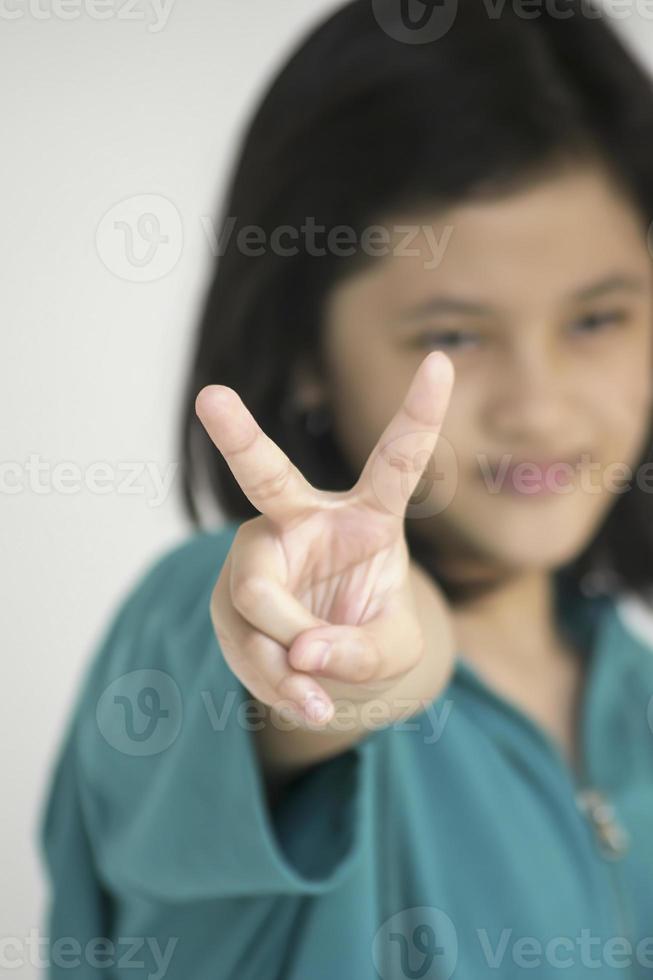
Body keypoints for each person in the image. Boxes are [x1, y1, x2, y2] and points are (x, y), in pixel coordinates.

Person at [40, 1, 653, 977]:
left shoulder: (634, 689)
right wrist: (354, 650)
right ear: (304, 354)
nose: (537, 409)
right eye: (451, 335)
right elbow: (344, 664)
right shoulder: (207, 615)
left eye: (596, 319)